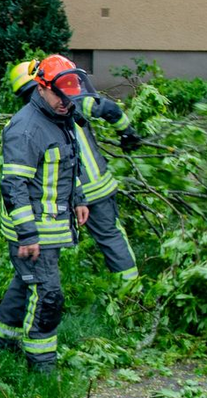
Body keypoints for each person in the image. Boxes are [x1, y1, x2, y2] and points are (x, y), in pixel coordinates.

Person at [0, 54, 92, 372]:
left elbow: (69, 164)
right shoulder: (26, 129)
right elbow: (14, 186)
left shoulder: (62, 118)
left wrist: (79, 197)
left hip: (51, 225)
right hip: (34, 229)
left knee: (26, 282)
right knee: (48, 294)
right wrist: (28, 234)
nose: (66, 103)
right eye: (59, 96)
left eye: (70, 96)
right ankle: (41, 363)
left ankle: (1, 339)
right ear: (41, 87)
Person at [8, 58, 140, 281]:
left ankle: (132, 290)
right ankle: (131, 288)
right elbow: (109, 108)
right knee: (110, 236)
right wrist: (126, 132)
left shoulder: (46, 113)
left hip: (71, 192)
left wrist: (127, 132)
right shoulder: (71, 101)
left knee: (87, 240)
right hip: (89, 187)